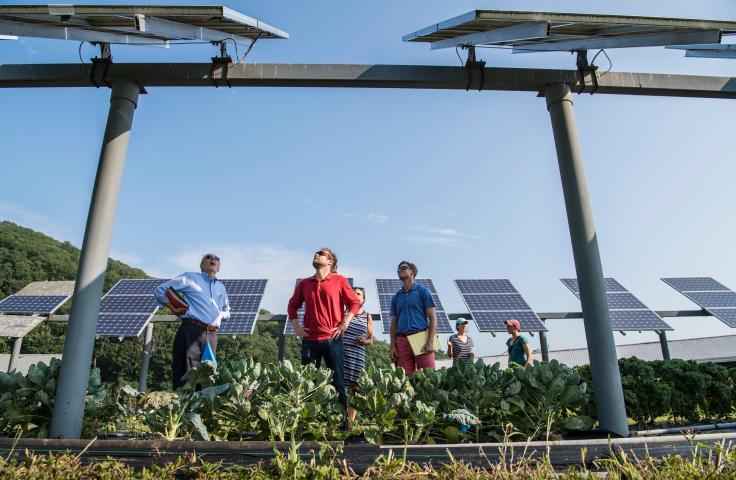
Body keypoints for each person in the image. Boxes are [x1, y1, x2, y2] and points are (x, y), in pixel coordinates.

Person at [287, 247, 361, 417]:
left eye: (321, 254)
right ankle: (310, 423)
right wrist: (297, 327)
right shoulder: (304, 284)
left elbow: (354, 303)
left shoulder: (340, 280)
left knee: (338, 382)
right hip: (310, 341)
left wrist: (345, 322)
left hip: (333, 340)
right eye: (316, 253)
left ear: (330, 262)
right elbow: (292, 306)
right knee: (307, 383)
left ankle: (342, 425)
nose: (316, 255)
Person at [154, 253, 230, 389]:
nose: (212, 259)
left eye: (216, 259)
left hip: (212, 335)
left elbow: (227, 311)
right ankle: (184, 408)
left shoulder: (221, 288)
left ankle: (200, 409)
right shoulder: (190, 278)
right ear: (201, 265)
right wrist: (172, 308)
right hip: (191, 330)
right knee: (187, 376)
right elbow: (160, 290)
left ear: (219, 267)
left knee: (208, 376)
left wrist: (220, 316)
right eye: (208, 257)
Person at [389, 260, 437, 375]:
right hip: (402, 340)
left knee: (427, 375)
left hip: (421, 337)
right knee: (406, 379)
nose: (400, 270)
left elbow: (433, 318)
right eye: (399, 269)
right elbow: (393, 324)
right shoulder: (396, 297)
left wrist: (430, 342)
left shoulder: (423, 291)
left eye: (404, 267)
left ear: (412, 271)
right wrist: (392, 346)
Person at [343, 286, 373, 423]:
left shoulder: (367, 316)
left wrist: (364, 341)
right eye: (353, 293)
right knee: (340, 386)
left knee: (355, 388)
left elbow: (371, 339)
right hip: (342, 353)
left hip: (357, 355)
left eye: (359, 294)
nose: (356, 295)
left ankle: (351, 421)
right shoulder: (343, 313)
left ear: (364, 299)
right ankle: (340, 419)